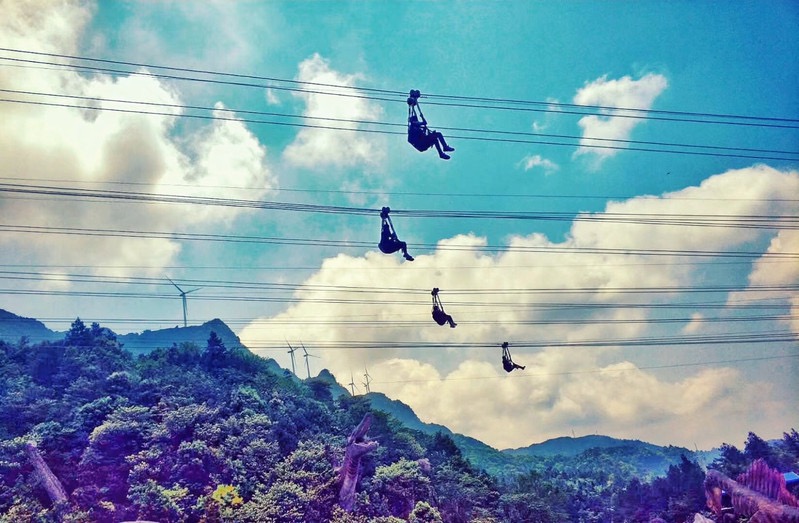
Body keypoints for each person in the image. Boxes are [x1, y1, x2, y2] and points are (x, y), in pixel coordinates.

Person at [407, 90, 454, 160]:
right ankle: (441, 153)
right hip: (420, 144)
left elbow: (424, 122)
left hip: (422, 143)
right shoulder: (413, 125)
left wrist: (415, 101)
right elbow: (422, 121)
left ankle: (444, 147)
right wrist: (413, 103)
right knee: (435, 138)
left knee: (438, 134)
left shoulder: (416, 126)